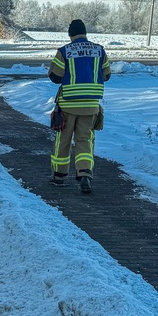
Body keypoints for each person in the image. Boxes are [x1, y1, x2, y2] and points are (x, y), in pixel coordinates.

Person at [48, 19, 111, 194]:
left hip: (68, 105)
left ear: (70, 35)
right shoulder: (99, 51)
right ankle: (85, 175)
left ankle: (59, 177)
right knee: (85, 141)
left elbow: (54, 76)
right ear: (84, 33)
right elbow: (107, 75)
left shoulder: (65, 51)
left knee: (63, 141)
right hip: (91, 106)